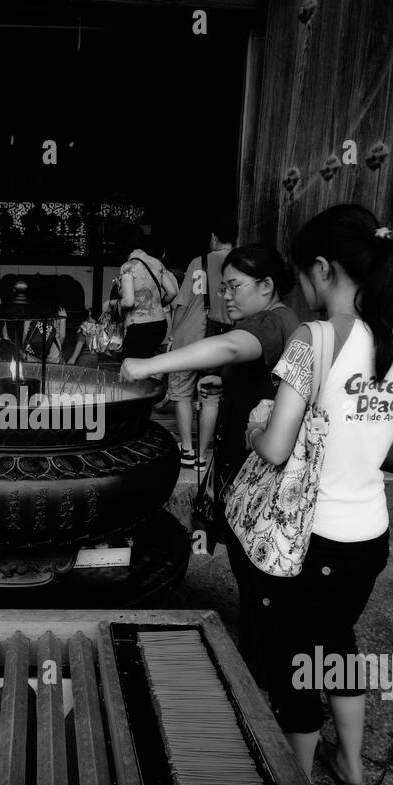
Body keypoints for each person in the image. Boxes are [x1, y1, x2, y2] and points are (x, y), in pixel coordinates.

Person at [249, 204, 393, 785]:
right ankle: (352, 770)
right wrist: (369, 433)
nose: (301, 286)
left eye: (303, 274)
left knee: (294, 658)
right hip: (370, 537)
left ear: (323, 269)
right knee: (337, 642)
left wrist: (257, 426)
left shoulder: (315, 337)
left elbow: (277, 449)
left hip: (311, 537)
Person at [121, 243, 300, 646]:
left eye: (235, 286)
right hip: (253, 470)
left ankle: (259, 667)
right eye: (224, 287)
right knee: (254, 573)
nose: (226, 295)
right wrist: (228, 385)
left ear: (267, 286)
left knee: (257, 576)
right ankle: (259, 647)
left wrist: (148, 365)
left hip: (261, 476)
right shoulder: (281, 321)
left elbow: (232, 346)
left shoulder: (270, 322)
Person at [167, 218, 238, 467]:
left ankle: (186, 449)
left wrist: (173, 336)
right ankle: (201, 456)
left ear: (214, 237)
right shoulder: (240, 264)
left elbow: (181, 303)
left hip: (189, 338)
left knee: (182, 392)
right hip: (221, 338)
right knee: (211, 396)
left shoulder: (199, 263)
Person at [115, 226, 179, 360]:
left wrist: (111, 304)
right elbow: (172, 292)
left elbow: (128, 301)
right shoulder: (156, 263)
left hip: (139, 326)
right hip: (160, 325)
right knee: (145, 363)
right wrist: (157, 305)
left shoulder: (128, 266)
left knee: (129, 366)